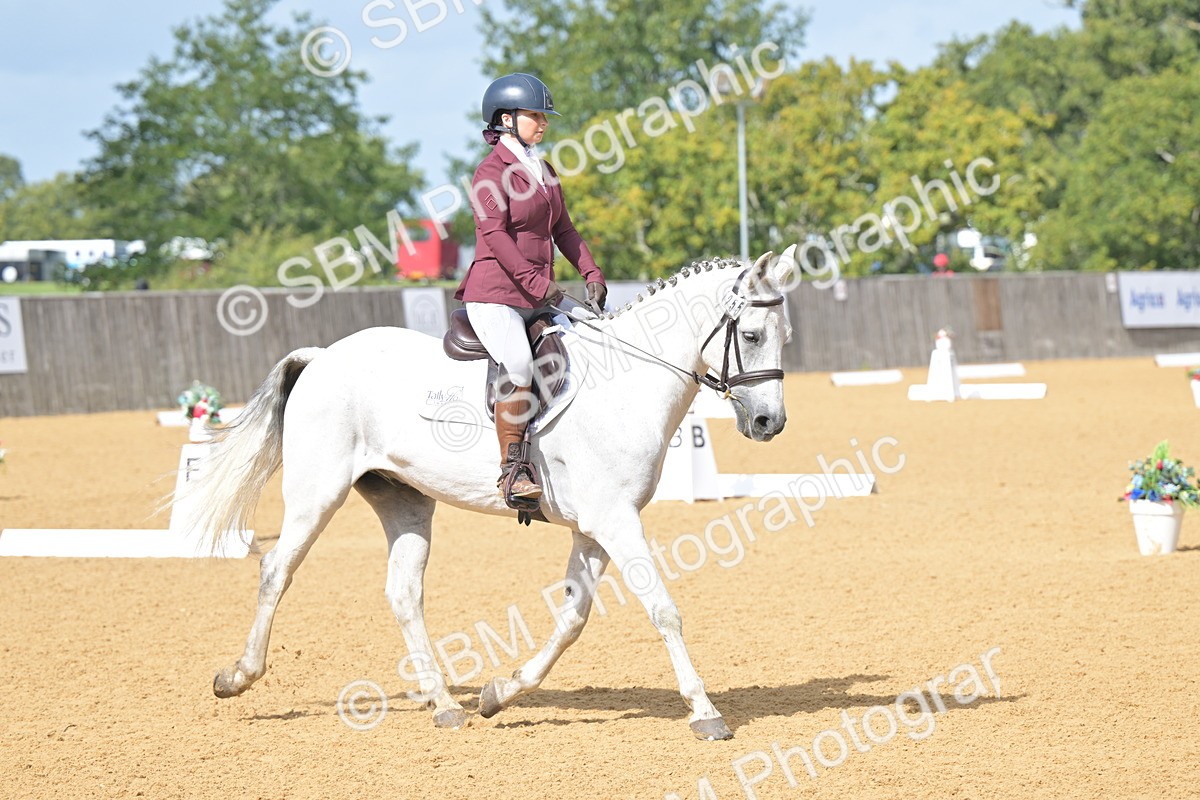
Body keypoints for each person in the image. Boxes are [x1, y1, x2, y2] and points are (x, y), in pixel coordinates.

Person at [454, 73, 608, 507]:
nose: (543, 123)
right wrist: (543, 286)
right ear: (506, 119)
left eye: (544, 116)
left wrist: (592, 273)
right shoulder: (489, 173)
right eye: (535, 115)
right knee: (520, 363)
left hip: (535, 296)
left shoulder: (544, 170)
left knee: (580, 349)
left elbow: (564, 228)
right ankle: (513, 469)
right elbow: (497, 238)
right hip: (495, 295)